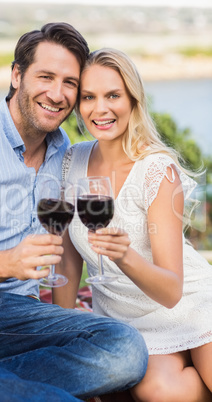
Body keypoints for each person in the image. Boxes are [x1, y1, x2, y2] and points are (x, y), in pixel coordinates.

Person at [0, 24, 148, 401]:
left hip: (22, 314)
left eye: (70, 82)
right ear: (17, 75)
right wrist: (6, 263)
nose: (57, 94)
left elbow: (66, 245)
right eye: (45, 77)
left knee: (125, 349)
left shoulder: (62, 149)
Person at [57, 48, 212, 401]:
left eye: (113, 95)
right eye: (88, 97)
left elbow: (172, 290)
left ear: (133, 99)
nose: (101, 109)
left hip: (190, 306)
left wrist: (125, 256)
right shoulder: (71, 161)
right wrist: (62, 330)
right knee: (159, 391)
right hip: (130, 324)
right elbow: (68, 259)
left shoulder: (157, 170)